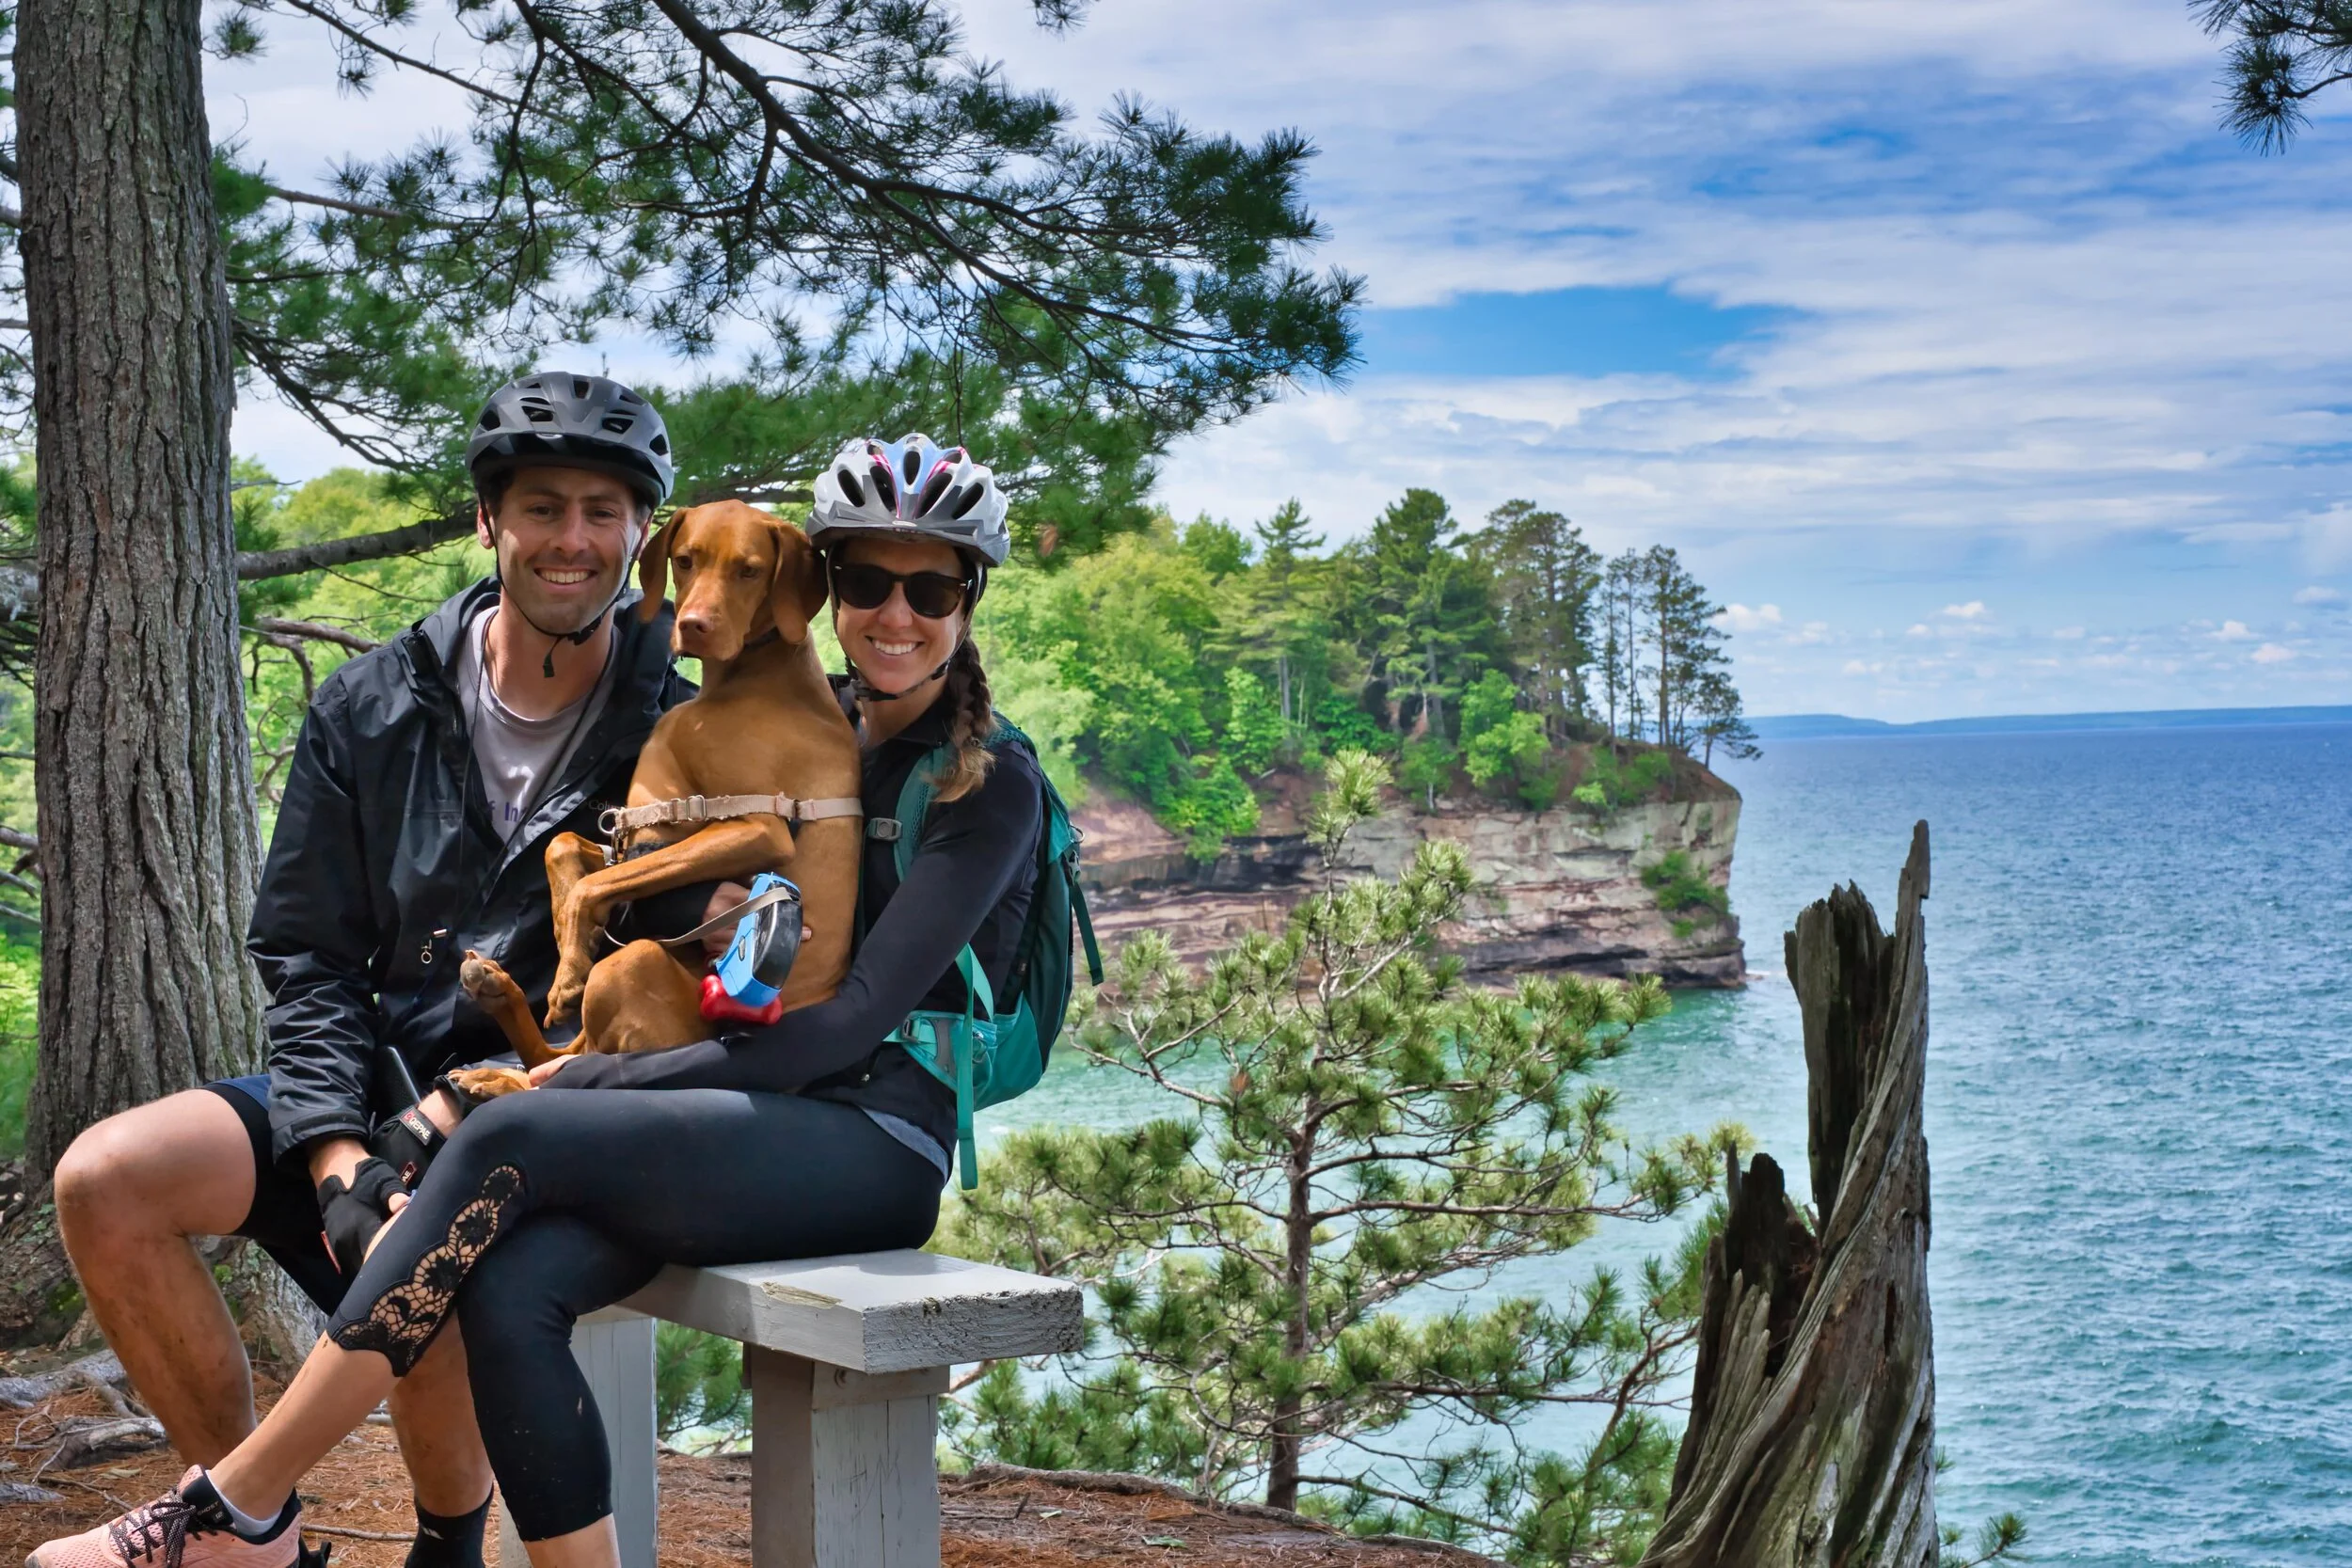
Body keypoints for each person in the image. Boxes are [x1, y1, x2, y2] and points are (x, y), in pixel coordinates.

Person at [31, 435, 1049, 1568]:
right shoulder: (823, 731)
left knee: (510, 1124)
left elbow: (851, 1021)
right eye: (866, 582)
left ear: (970, 600)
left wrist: (591, 1079)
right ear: (827, 595)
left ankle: (241, 1509)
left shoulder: (988, 775)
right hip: (748, 1106)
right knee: (509, 1276)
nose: (893, 614)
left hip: (871, 1137)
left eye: (931, 588)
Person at [41, 372, 693, 1568]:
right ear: (489, 522)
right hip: (364, 1086)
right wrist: (340, 1149)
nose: (574, 539)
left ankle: (444, 1542)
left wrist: (443, 1121)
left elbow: (660, 995)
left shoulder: (677, 735)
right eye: (542, 506)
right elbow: (310, 955)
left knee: (426, 1229)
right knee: (106, 1177)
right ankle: (256, 1533)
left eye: (605, 511)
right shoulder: (369, 705)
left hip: (535, 1118)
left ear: (640, 535)